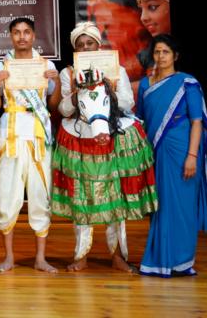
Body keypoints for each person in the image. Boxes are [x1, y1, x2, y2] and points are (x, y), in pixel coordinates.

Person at [53, 22, 158, 272]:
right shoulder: (68, 74)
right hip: (80, 139)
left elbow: (128, 103)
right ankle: (81, 255)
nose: (85, 48)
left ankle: (118, 255)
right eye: (80, 45)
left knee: (115, 197)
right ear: (75, 49)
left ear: (98, 45)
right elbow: (63, 110)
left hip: (111, 138)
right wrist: (77, 93)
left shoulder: (116, 69)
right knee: (81, 197)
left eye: (89, 43)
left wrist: (107, 89)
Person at [138, 35, 207, 277]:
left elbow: (197, 122)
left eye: (166, 52)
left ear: (175, 56)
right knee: (160, 206)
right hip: (156, 152)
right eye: (157, 52)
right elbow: (142, 121)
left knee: (182, 206)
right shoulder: (145, 85)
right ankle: (159, 260)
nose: (160, 57)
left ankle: (181, 261)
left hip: (182, 152)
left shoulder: (187, 83)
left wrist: (192, 156)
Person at [0, 17, 61, 273]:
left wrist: (57, 83)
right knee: (7, 195)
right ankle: (8, 257)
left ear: (34, 35)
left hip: (38, 133)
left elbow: (53, 106)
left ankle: (40, 258)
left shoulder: (46, 65)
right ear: (10, 36)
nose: (22, 37)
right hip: (11, 133)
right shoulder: (1, 66)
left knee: (40, 195)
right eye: (17, 32)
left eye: (26, 32)